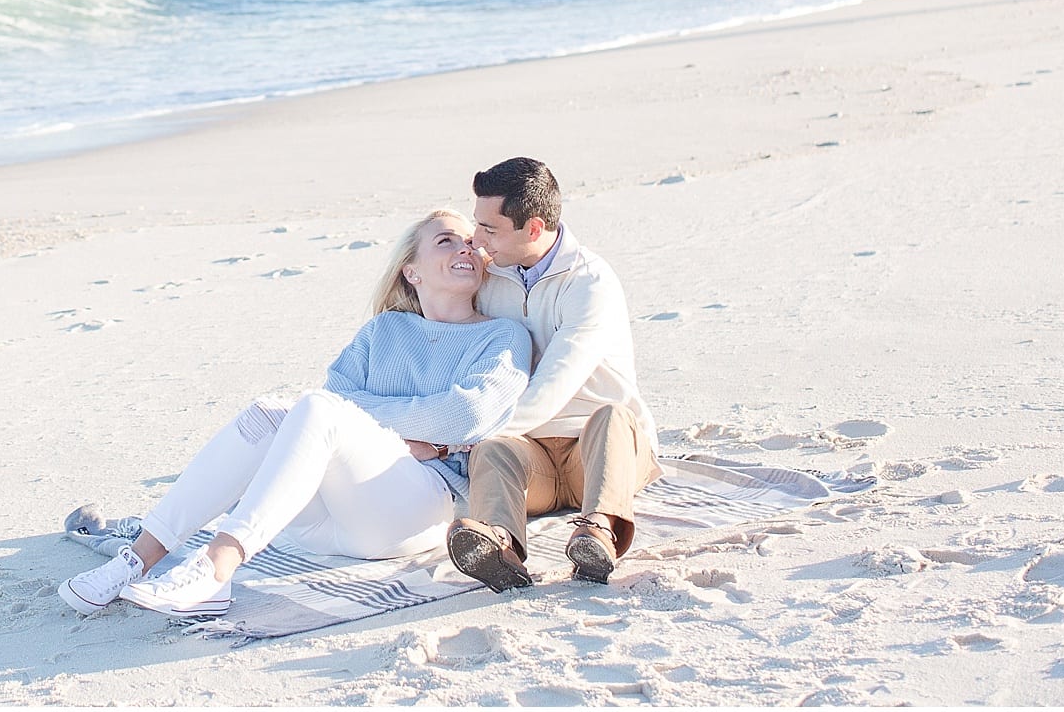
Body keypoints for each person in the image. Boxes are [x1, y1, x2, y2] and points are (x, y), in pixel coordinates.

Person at [59, 209, 532, 618]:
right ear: (412, 271)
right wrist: (404, 437)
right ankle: (136, 560)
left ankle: (217, 565)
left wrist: (387, 430)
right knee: (271, 413)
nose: (465, 248)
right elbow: (330, 406)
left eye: (472, 241)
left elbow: (465, 415)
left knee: (316, 409)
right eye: (446, 240)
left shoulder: (502, 336)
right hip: (322, 525)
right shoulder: (384, 331)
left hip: (416, 510)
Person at [446, 156, 661, 591]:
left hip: (597, 454)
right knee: (494, 448)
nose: (477, 239)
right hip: (535, 460)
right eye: (477, 225)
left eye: (490, 229)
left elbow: (555, 384)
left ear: (534, 228)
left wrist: (456, 436)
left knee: (614, 416)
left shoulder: (590, 282)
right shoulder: (489, 279)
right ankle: (501, 547)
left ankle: (597, 533)